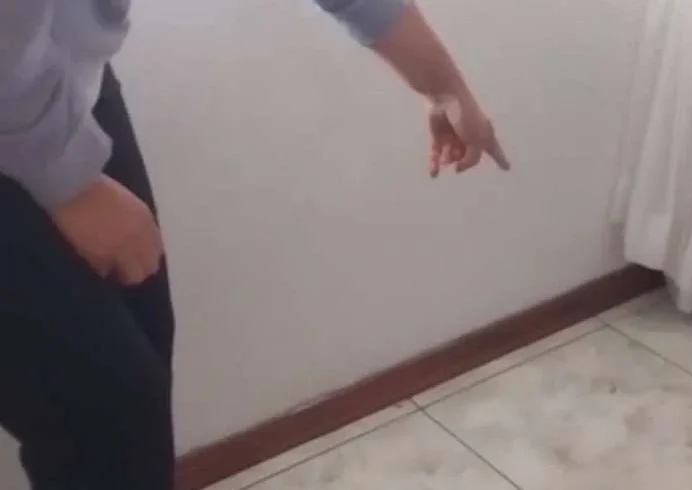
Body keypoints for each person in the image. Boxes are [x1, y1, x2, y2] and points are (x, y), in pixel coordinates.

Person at [0, 1, 508, 489]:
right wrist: (71, 182)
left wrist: (444, 85)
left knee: (135, 377)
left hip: (49, 80)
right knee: (108, 408)